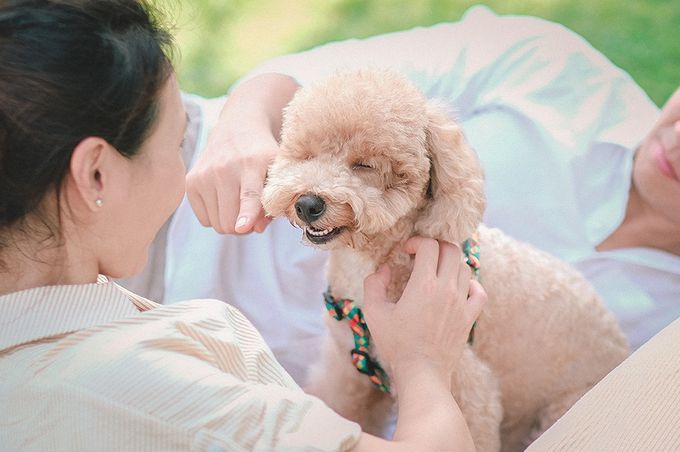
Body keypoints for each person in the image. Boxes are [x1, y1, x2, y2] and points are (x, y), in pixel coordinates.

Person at [0, 1, 487, 450]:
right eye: (179, 142)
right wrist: (422, 362)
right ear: (96, 175)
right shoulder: (157, 392)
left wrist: (247, 106)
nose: (193, 164)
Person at [144, 6, 680, 388]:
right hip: (158, 204)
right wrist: (243, 122)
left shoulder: (665, 337)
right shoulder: (551, 68)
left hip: (219, 388)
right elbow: (304, 79)